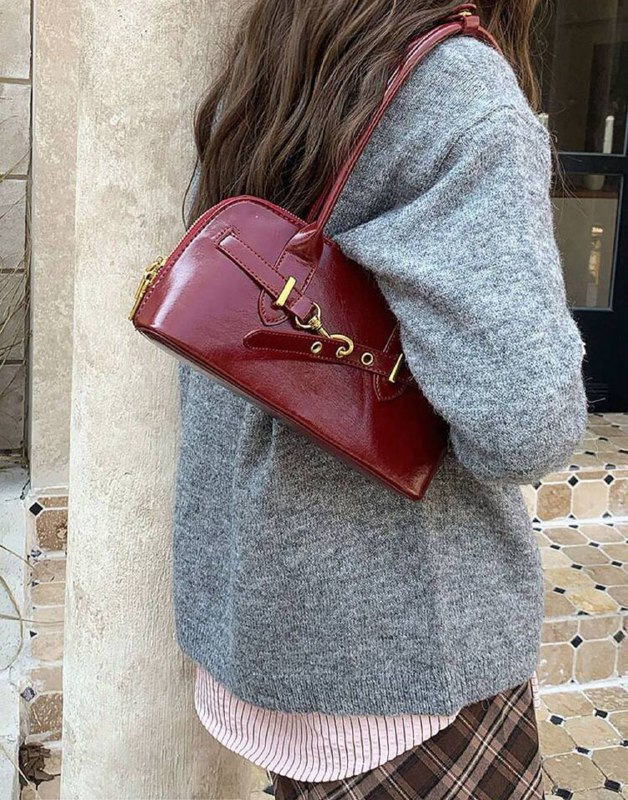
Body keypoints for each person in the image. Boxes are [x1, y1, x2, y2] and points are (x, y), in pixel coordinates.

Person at [173, 1, 587, 797]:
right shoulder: (456, 86)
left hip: (257, 620)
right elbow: (527, 424)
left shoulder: (280, 55)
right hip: (408, 662)